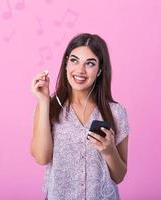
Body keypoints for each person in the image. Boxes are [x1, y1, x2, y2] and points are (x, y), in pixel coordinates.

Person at [30, 33, 130, 200]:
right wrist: (44, 101)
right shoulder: (49, 108)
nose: (80, 70)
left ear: (99, 70)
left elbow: (119, 176)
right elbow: (41, 157)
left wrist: (109, 150)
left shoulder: (116, 112)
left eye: (90, 64)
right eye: (74, 60)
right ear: (66, 63)